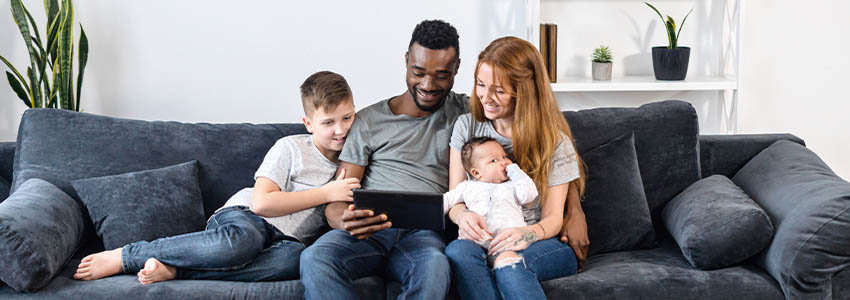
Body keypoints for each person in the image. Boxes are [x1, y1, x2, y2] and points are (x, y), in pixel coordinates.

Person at [73, 71, 360, 284]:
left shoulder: (357, 156)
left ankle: (176, 270)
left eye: (347, 118)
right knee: (242, 242)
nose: (340, 130)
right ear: (308, 124)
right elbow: (262, 203)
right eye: (328, 122)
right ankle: (126, 256)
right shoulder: (291, 147)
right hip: (246, 218)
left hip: (287, 241)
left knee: (295, 261)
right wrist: (327, 193)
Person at [298, 20, 467, 299]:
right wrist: (344, 219)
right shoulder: (369, 120)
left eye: (441, 75)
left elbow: (531, 122)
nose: (428, 84)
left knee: (436, 266)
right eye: (418, 72)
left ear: (457, 68)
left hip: (422, 235)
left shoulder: (467, 112)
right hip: (368, 230)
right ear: (406, 62)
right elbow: (337, 200)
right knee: (315, 257)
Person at [445, 36, 588, 300]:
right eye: (480, 84)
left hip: (539, 241)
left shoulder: (554, 141)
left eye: (498, 90)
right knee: (457, 251)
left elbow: (553, 219)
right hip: (483, 240)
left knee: (508, 263)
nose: (486, 97)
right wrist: (462, 217)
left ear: (524, 91)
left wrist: (526, 234)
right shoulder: (467, 127)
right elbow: (455, 198)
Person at [442, 137, 538, 259]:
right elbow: (446, 201)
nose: (504, 162)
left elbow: (529, 195)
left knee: (511, 258)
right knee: (461, 249)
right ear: (476, 173)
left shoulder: (514, 185)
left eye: (504, 157)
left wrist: (516, 172)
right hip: (477, 239)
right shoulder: (467, 187)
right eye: (494, 160)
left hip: (510, 240)